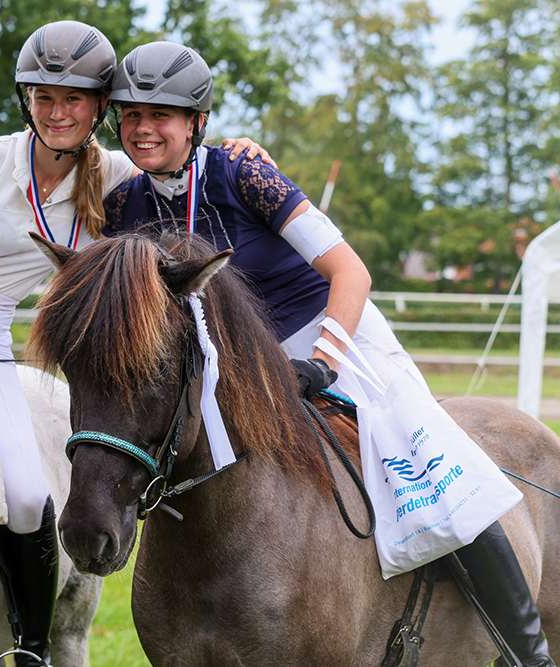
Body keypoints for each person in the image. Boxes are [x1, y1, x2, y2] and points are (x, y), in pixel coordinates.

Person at [102, 41, 554, 667]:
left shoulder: (244, 173)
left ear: (196, 122)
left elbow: (350, 271)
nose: (144, 129)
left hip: (331, 335)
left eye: (162, 115)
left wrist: (323, 361)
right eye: (131, 115)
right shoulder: (122, 206)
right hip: (227, 370)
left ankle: (528, 653)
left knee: (436, 470)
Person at [0, 21, 269, 666]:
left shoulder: (118, 178)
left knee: (25, 496)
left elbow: (185, 163)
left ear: (101, 106)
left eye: (73, 98)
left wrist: (239, 152)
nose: (57, 112)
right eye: (42, 97)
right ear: (26, 102)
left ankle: (29, 645)